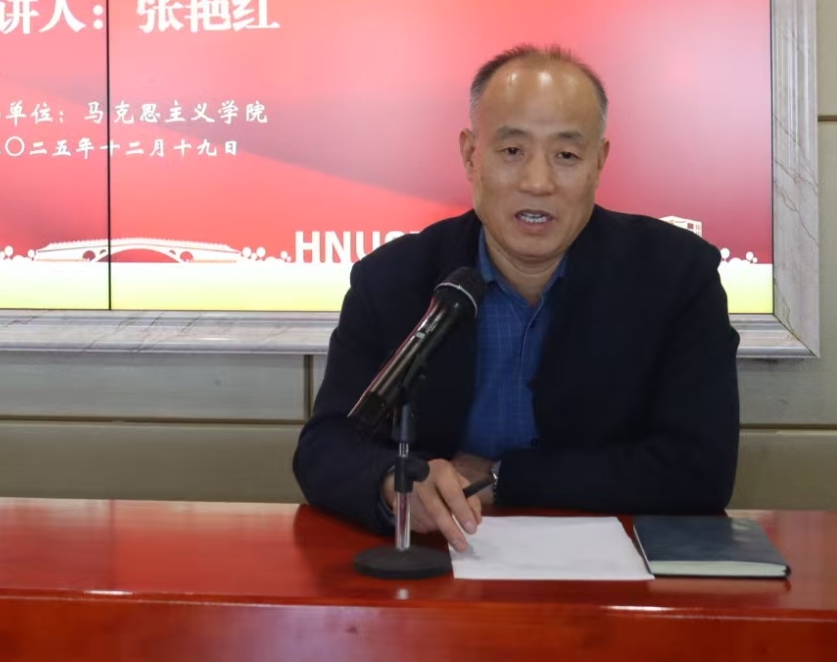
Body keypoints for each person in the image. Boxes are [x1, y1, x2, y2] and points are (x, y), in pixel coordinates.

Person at [293, 45, 740, 551]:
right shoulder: (393, 279)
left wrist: (504, 478)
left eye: (566, 155)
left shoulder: (676, 276)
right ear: (470, 155)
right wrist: (391, 482)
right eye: (512, 151)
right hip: (440, 561)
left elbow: (700, 469)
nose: (537, 182)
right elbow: (324, 448)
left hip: (612, 570)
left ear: (599, 163)